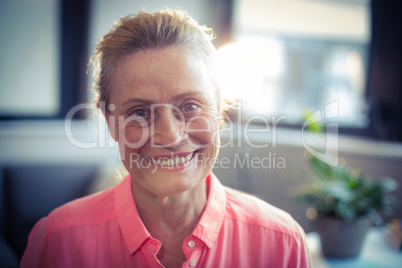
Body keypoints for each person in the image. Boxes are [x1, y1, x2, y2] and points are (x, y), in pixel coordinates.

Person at [21, 8, 311, 268]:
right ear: (111, 123)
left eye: (189, 106)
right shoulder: (57, 241)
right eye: (139, 112)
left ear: (220, 110)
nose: (170, 136)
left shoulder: (282, 242)